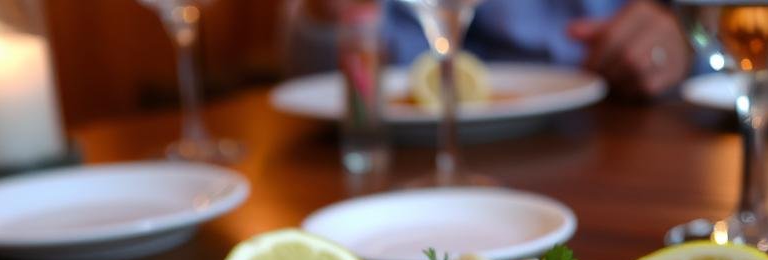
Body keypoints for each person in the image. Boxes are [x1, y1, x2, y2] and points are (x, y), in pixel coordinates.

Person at [283, 0, 688, 99]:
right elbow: (333, 74)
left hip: (631, 135)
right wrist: (326, 19)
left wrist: (688, 42)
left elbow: (724, 44)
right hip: (417, 160)